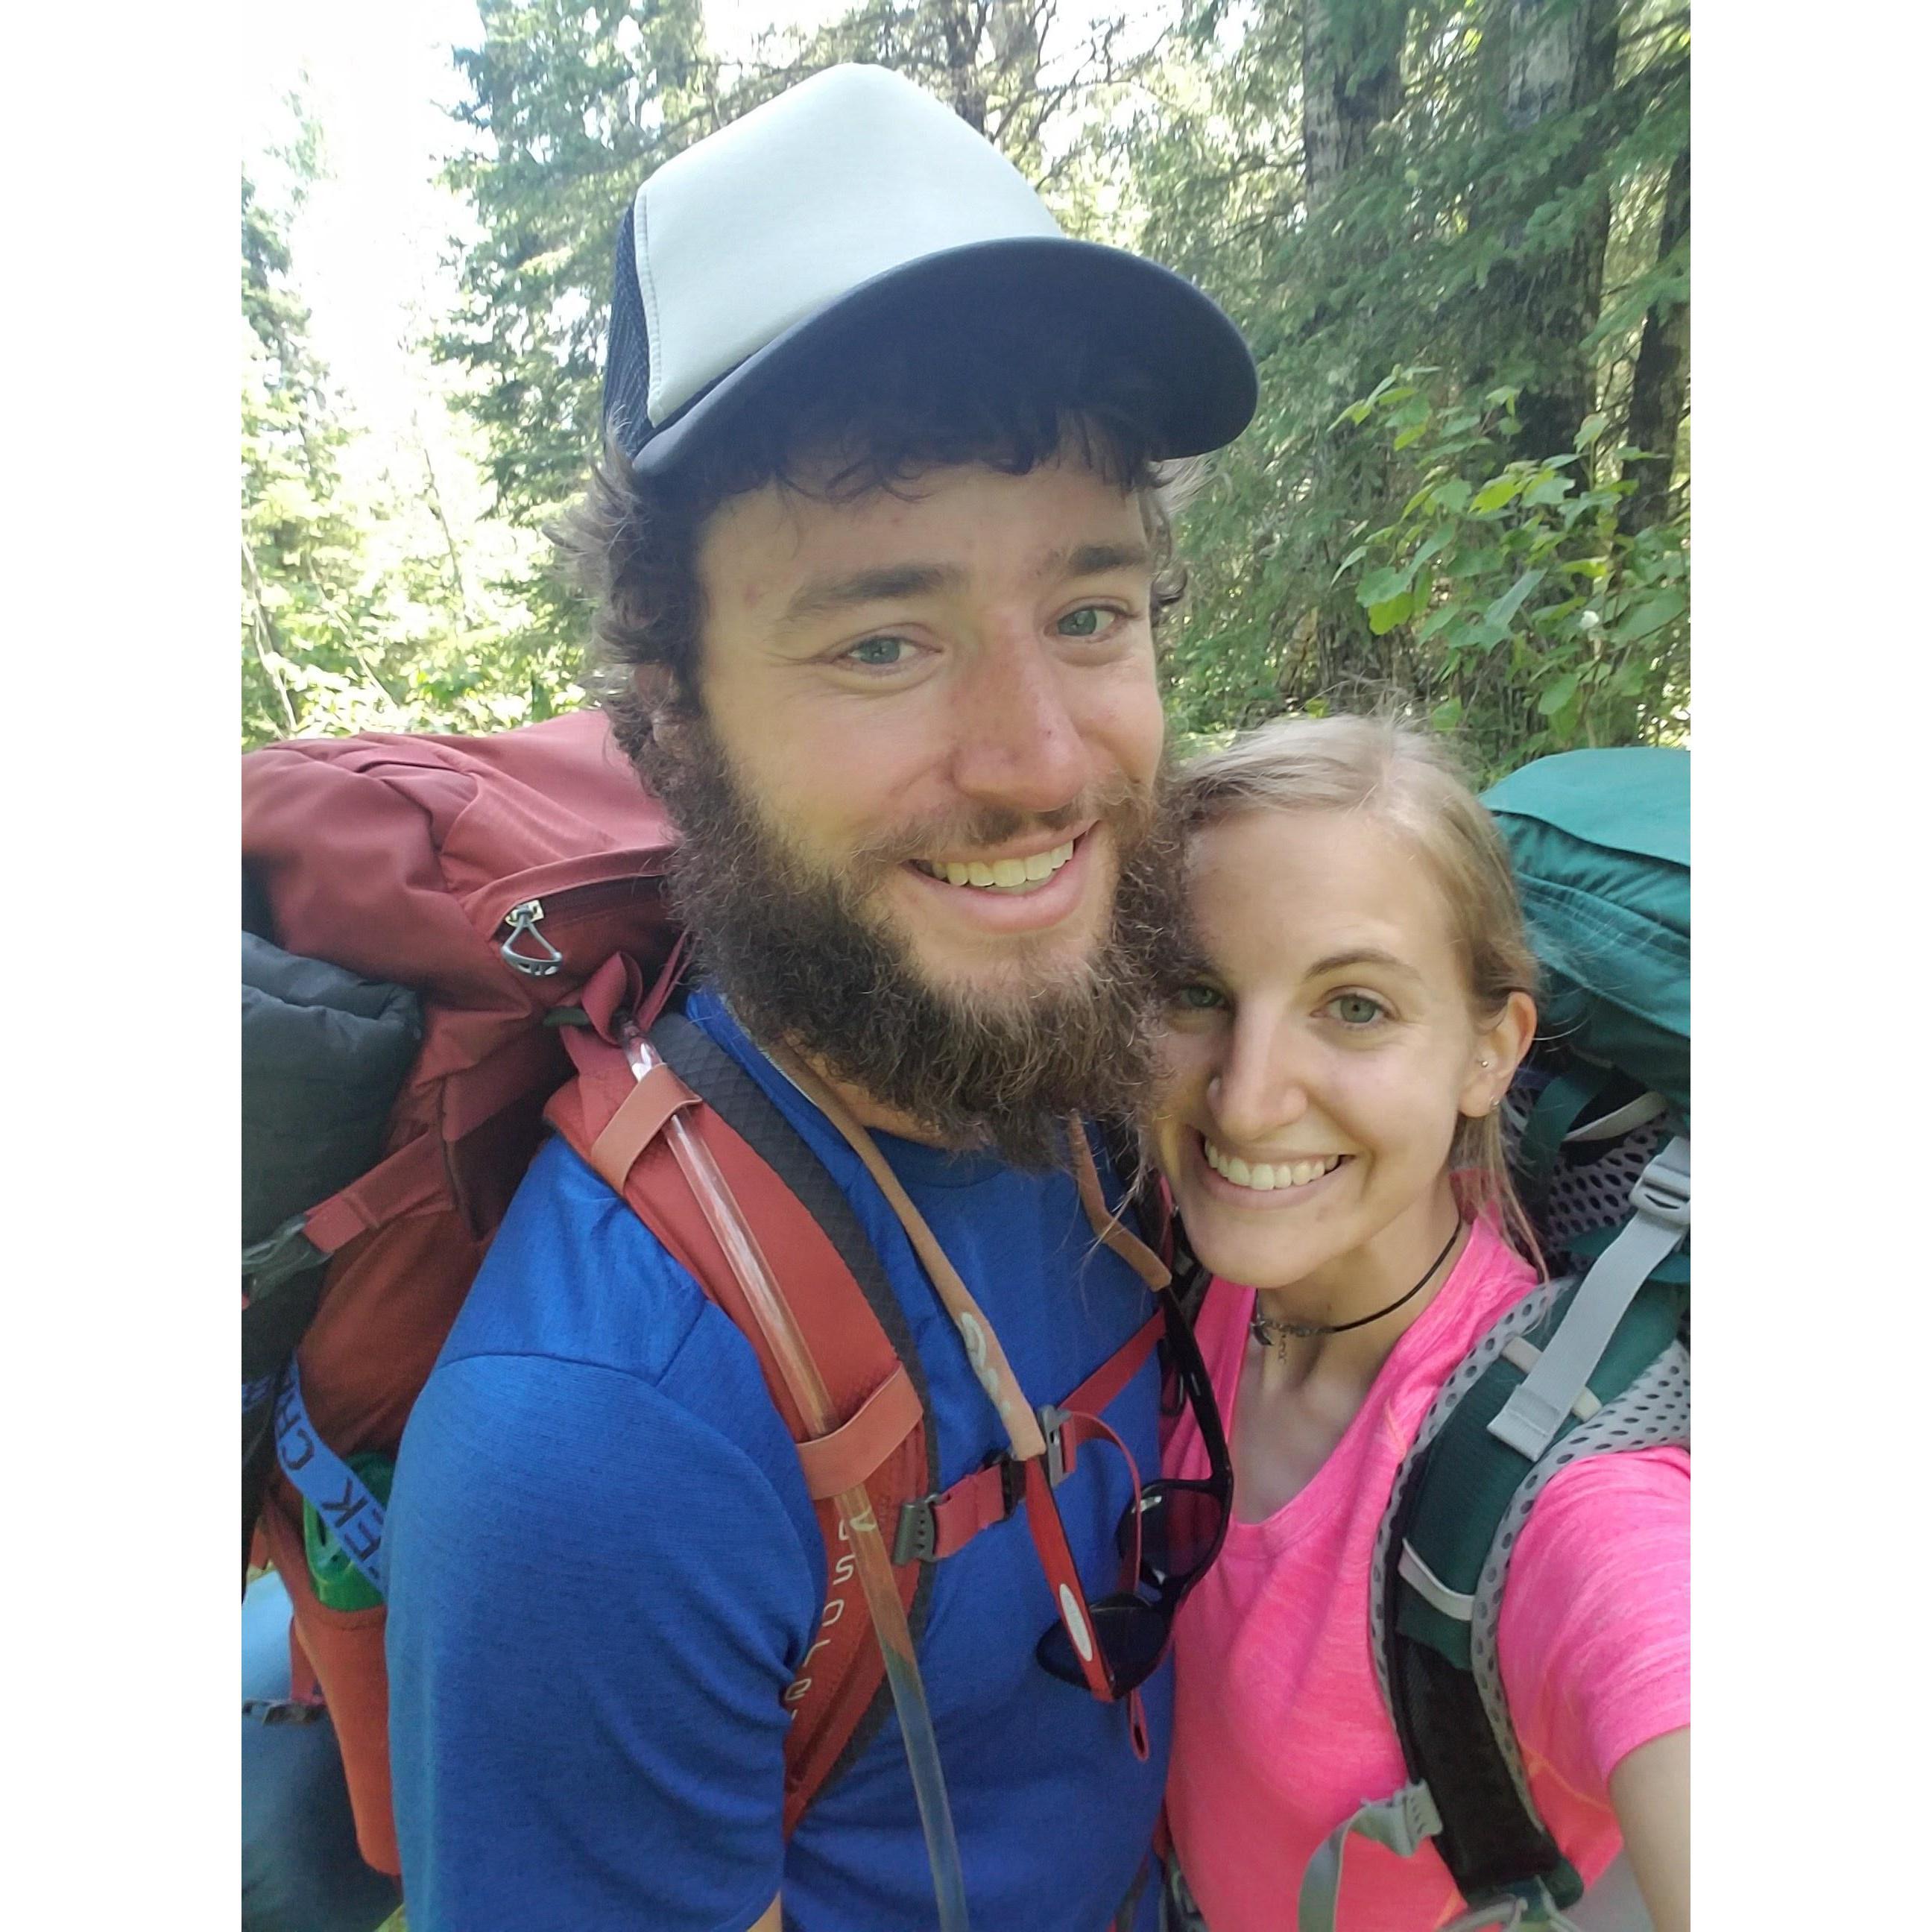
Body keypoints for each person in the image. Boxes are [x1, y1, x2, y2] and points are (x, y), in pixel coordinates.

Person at [381, 64, 1255, 1932]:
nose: (1042, 762)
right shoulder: (600, 1453)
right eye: (882, 640)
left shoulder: (1137, 1065)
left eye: (1090, 613)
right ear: (675, 719)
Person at [1154, 715, 1690, 1932]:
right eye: (1196, 992)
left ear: (1491, 1052)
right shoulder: (1199, 1273)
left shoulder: (1557, 1499)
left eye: (1354, 1007)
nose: (1247, 1099)